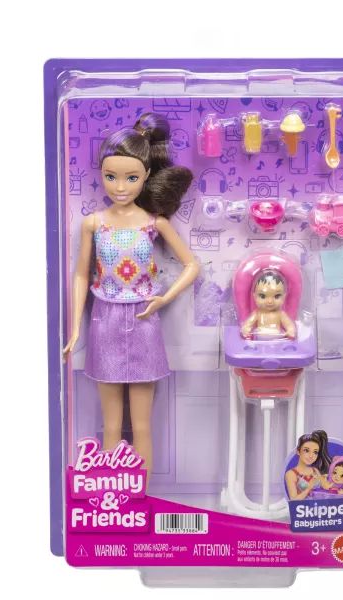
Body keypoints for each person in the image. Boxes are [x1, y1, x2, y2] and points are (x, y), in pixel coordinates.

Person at [62, 113, 199, 476]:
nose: (120, 187)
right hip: (104, 321)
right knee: (110, 425)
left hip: (143, 321)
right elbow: (81, 274)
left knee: (141, 426)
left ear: (147, 175)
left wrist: (164, 298)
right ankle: (112, 494)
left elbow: (191, 265)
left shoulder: (154, 223)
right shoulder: (94, 223)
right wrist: (74, 329)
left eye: (131, 178)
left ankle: (142, 499)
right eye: (111, 177)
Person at [240, 270, 296, 339]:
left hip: (277, 338)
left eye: (277, 296)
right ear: (255, 296)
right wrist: (246, 329)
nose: (270, 301)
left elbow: (289, 325)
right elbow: (248, 324)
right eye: (262, 296)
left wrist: (291, 330)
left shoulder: (280, 314)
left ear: (284, 297)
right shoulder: (257, 313)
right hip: (260, 338)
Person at [285, 430, 332, 500]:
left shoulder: (315, 471)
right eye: (306, 450)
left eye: (315, 452)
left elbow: (325, 487)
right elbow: (294, 500)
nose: (311, 456)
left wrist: (329, 480)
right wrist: (309, 487)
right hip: (303, 506)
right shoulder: (291, 474)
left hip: (319, 505)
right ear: (298, 451)